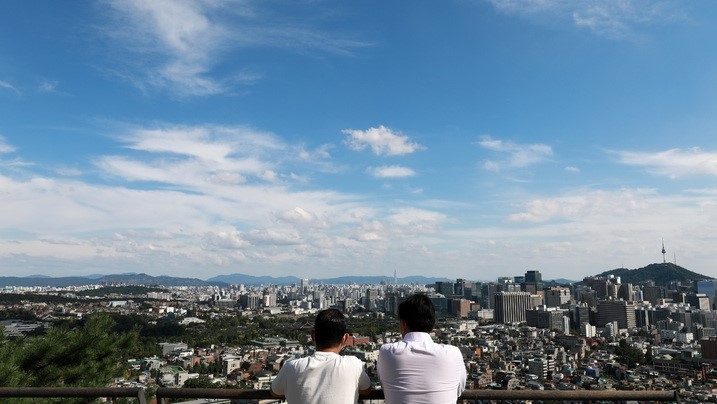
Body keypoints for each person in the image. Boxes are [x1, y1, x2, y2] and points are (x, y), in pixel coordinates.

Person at [377, 294, 466, 404]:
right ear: (432, 324)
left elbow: (384, 383)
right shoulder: (453, 354)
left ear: (403, 324)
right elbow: (459, 389)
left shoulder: (387, 352)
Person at [270, 308, 371, 404]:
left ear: (313, 336)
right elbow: (366, 390)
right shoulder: (353, 364)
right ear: (345, 338)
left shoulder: (291, 367)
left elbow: (275, 392)